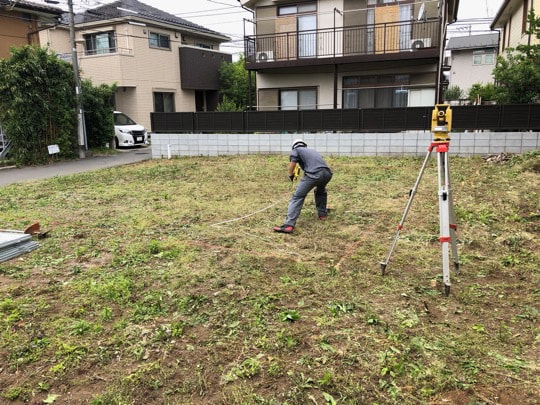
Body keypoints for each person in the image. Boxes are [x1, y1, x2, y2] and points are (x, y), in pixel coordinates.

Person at [273, 139, 333, 234]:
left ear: (294, 146)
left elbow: (293, 162)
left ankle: (289, 225)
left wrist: (290, 175)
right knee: (320, 191)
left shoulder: (296, 150)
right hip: (327, 173)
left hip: (314, 174)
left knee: (297, 196)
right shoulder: (312, 150)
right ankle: (322, 214)